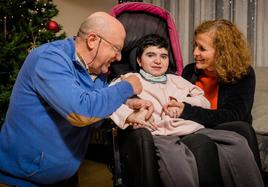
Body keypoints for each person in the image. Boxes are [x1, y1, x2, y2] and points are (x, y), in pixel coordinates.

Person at [0, 11, 146, 186]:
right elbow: (81, 112)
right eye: (116, 49)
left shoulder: (97, 70)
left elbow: (95, 115)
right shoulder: (49, 59)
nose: (119, 57)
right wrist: (127, 86)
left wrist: (127, 111)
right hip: (25, 179)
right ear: (93, 40)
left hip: (65, 175)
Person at [110, 34, 264, 187]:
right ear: (139, 60)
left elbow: (202, 100)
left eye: (163, 56)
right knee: (177, 162)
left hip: (190, 128)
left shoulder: (176, 80)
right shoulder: (130, 78)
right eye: (151, 55)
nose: (158, 61)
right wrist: (130, 114)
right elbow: (109, 101)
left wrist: (182, 104)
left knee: (237, 142)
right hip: (158, 132)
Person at [168, 19, 263, 185]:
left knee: (243, 128)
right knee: (201, 141)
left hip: (225, 127)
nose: (195, 52)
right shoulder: (190, 71)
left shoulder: (243, 74)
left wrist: (187, 110)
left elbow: (234, 115)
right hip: (195, 129)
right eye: (195, 46)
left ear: (221, 52)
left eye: (202, 48)